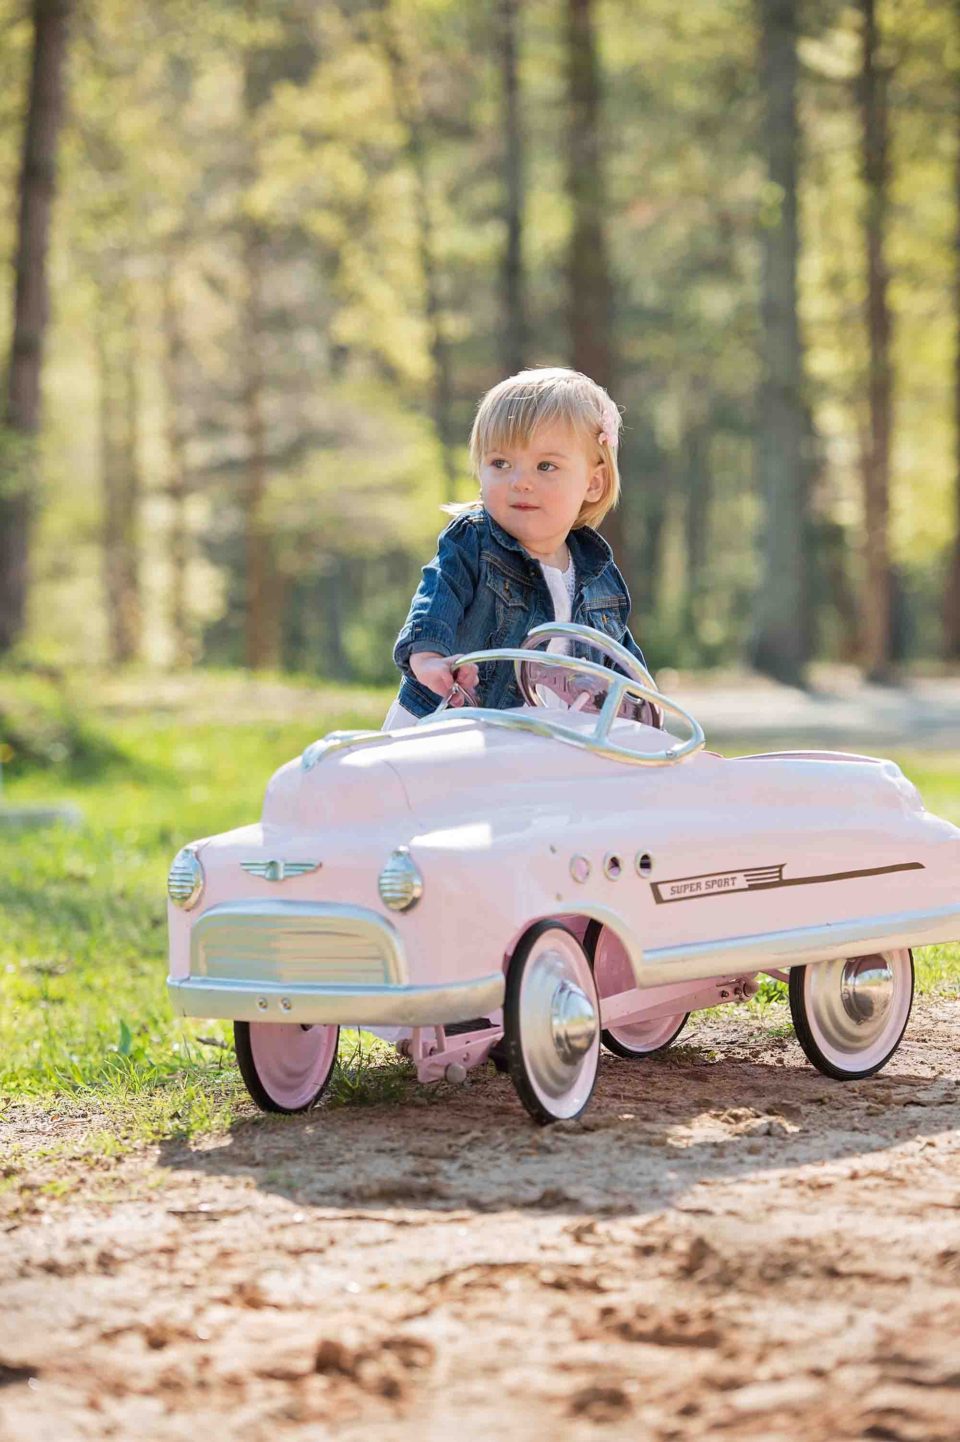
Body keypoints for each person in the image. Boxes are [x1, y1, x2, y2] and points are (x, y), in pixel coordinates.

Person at [383, 366, 659, 728]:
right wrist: (430, 657)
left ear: (593, 483)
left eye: (545, 466)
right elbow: (437, 598)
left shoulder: (598, 575)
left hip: (542, 741)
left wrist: (650, 726)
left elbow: (622, 666)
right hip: (452, 726)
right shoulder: (473, 541)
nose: (520, 482)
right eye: (500, 463)